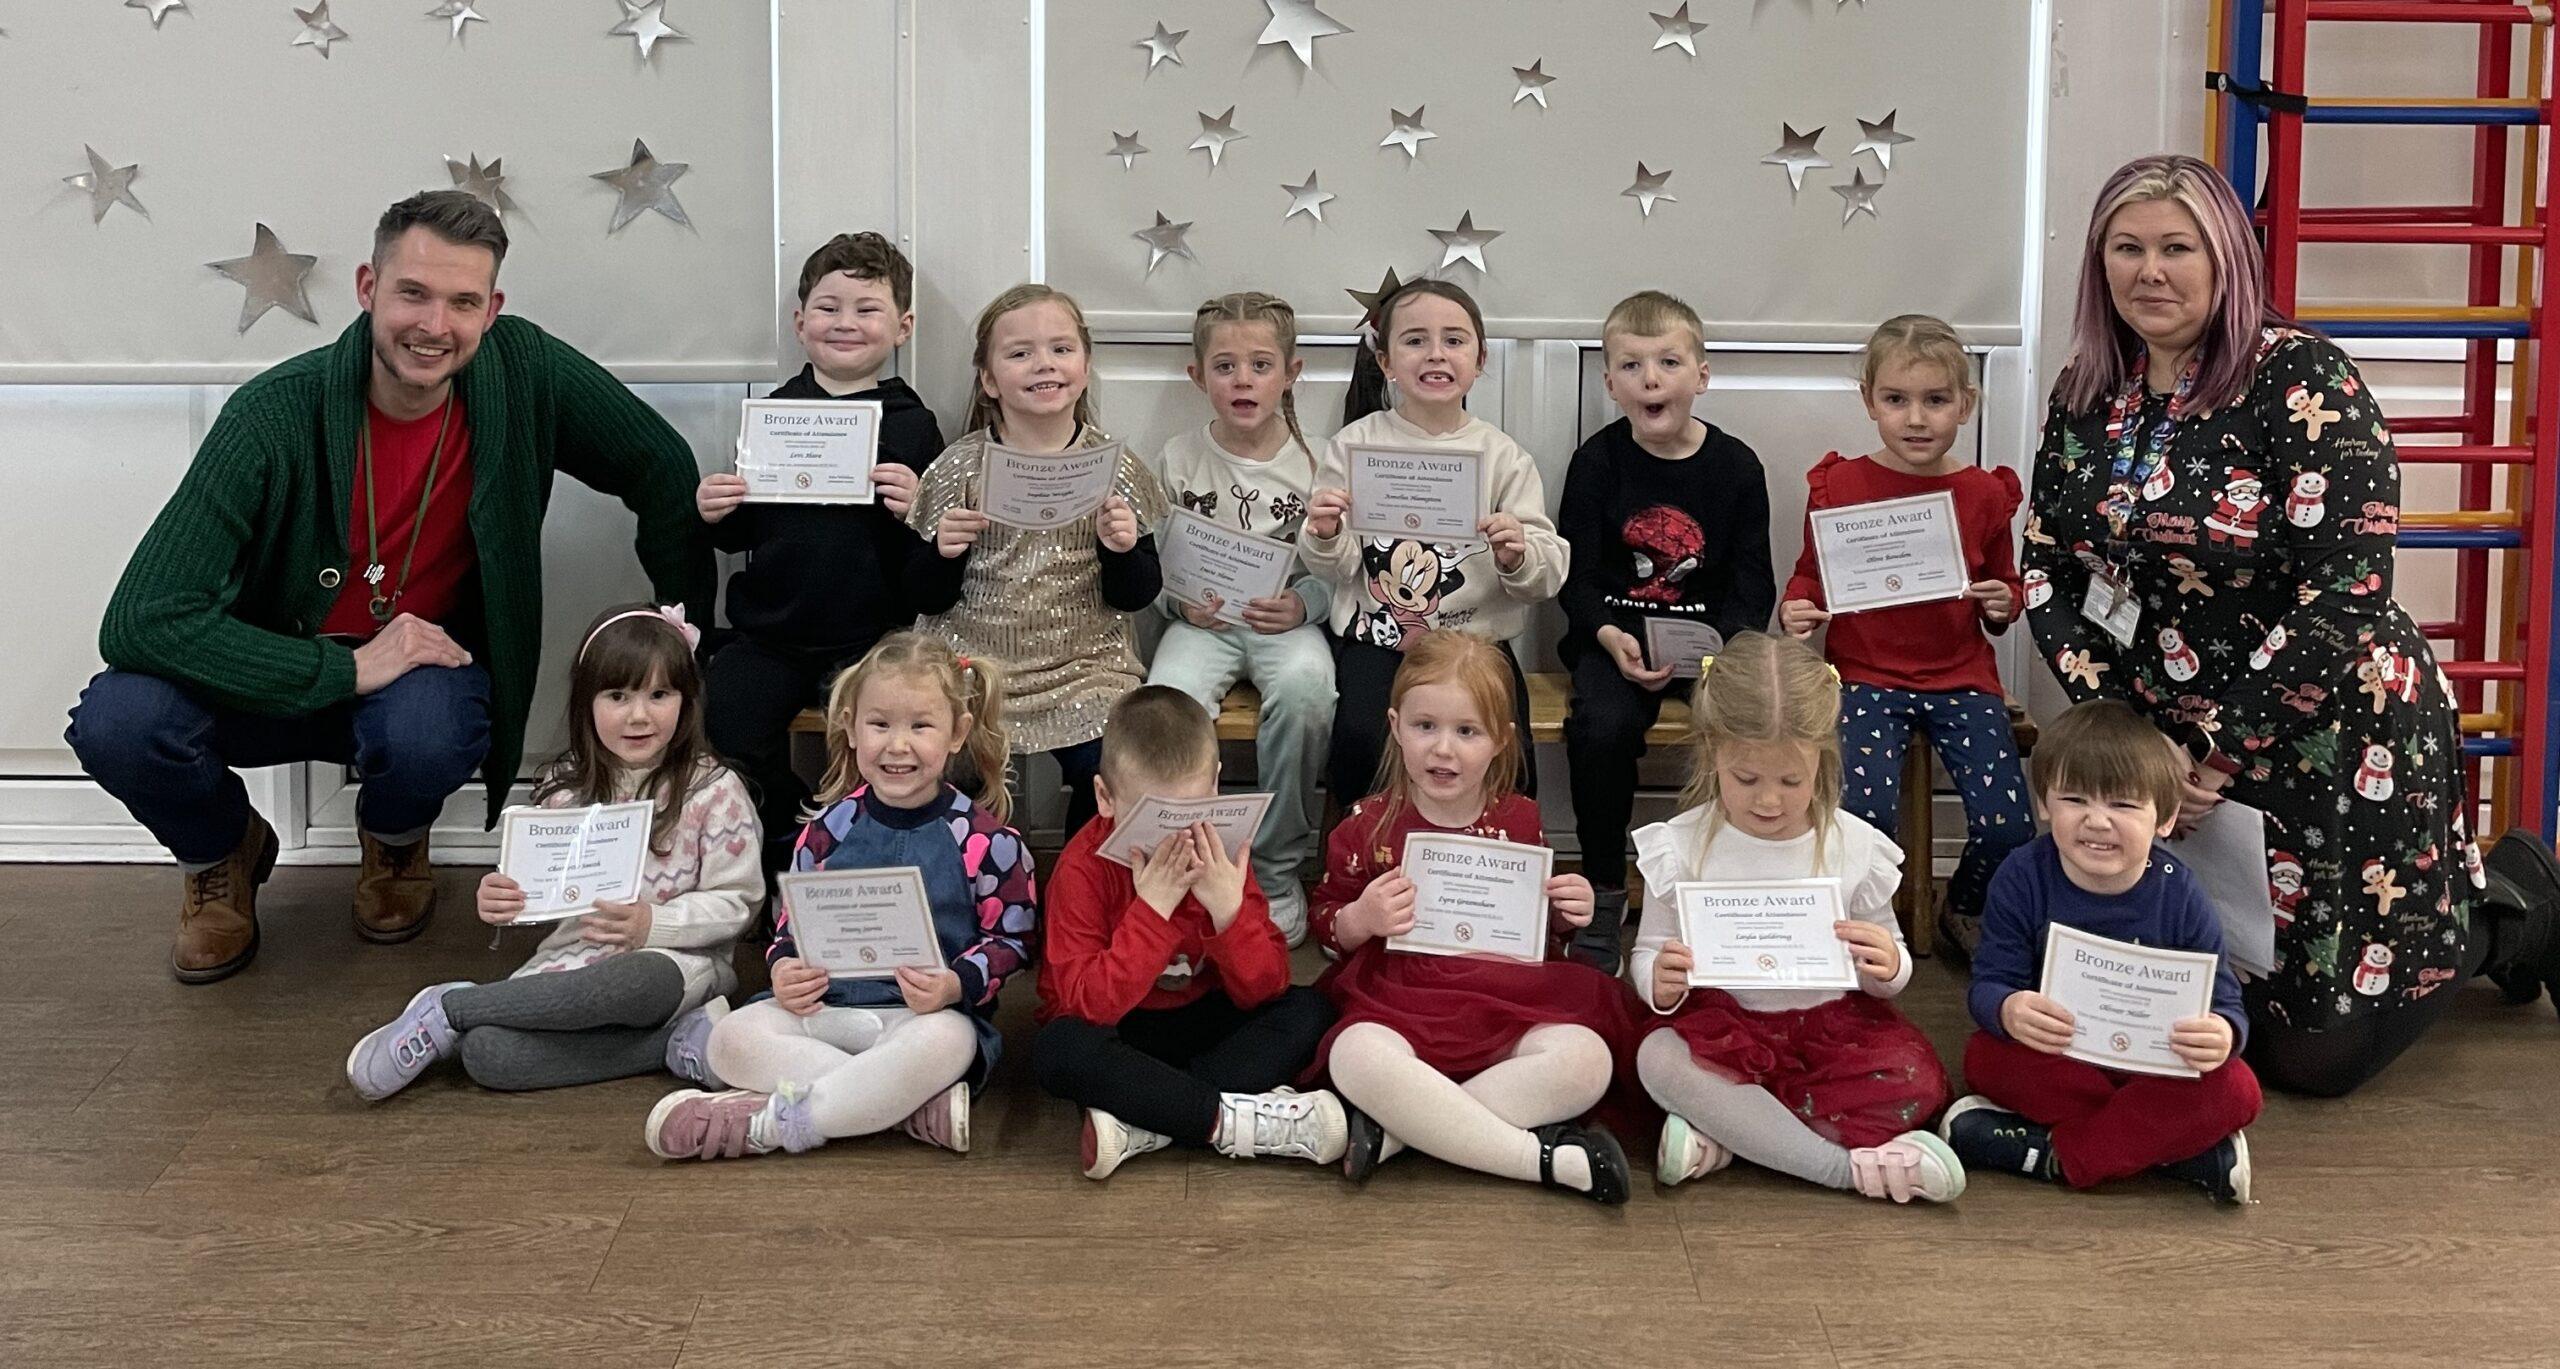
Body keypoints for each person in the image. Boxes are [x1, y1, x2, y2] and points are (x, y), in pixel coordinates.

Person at [66, 189, 707, 984]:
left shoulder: (524, 371)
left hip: (415, 683)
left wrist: (685, 640)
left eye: (462, 302)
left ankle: (396, 845)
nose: (434, 325)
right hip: (266, 676)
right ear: (369, 288)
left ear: (491, 310)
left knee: (430, 733)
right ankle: (220, 851)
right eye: (413, 293)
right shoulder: (271, 414)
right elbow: (139, 620)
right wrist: (345, 667)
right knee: (118, 721)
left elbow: (661, 466)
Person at [2026, 154, 2560, 1097]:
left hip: (2331, 725)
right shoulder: (2089, 389)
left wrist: (2214, 753)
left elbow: (2349, 593)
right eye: (2127, 248)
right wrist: (2132, 740)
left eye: (2177, 248)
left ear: (2226, 258)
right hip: (2167, 741)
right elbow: (2047, 566)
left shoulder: (2301, 378)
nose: (2150, 272)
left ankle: (2513, 909)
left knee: (2315, 1062)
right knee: (2220, 1014)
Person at [644, 632, 1034, 1160]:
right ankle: (903, 1107)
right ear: (851, 729)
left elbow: (1012, 941)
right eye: (880, 725)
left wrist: (955, 984)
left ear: (957, 733)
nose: (898, 745)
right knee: (731, 1039)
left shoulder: (989, 842)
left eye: (920, 726)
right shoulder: (827, 828)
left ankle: (767, 1126)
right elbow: (790, 926)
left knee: (951, 1043)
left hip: (920, 1021)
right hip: (826, 1013)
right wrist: (784, 968)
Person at [342, 605, 755, 1100]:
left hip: (677, 966)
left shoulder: (714, 791)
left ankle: (450, 1010)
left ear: (687, 702)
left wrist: (654, 924)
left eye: (659, 695)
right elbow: (538, 894)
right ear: (587, 703)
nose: (639, 715)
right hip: (570, 968)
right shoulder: (566, 791)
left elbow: (739, 903)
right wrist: (503, 900)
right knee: (486, 1055)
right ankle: (671, 1042)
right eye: (617, 696)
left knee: (641, 979)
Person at [1628, 631, 1962, 1203]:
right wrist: (1658, 981)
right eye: (1746, 779)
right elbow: (1648, 948)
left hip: (1832, 1033)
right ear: (1713, 753)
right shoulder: (1679, 846)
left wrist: (1887, 967)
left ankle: (1733, 1132)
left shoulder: (1853, 845)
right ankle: (1842, 1168)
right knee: (1658, 1058)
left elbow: (1889, 955)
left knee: (1919, 1081)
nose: (1769, 801)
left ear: (1821, 758)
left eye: (1791, 781)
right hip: (1725, 1029)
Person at [1309, 631, 1634, 1204]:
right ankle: (1544, 1162)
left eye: (1467, 731)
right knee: (1353, 1053)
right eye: (1425, 726)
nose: (1443, 749)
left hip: (1505, 1001)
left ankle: (1399, 1134)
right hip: (1400, 999)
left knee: (1587, 1061)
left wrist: (1567, 912)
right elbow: (1329, 927)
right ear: (1395, 727)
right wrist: (1362, 917)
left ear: (1501, 740)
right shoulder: (1366, 824)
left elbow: (1536, 926)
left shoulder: (1521, 820)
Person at [1779, 315, 2033, 956]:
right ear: (1870, 401)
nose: (1916, 419)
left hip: (1962, 679)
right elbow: (1810, 573)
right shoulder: (1839, 486)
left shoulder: (1983, 494)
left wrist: (2004, 603)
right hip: (1864, 675)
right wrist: (1797, 607)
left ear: (1965, 405)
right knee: (1865, 817)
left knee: (2008, 826)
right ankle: (1866, 927)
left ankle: (1964, 906)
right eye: (1896, 399)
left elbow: (2004, 586)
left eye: (1936, 400)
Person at [1942, 699, 2263, 1204]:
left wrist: (2223, 1033)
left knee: (2238, 1089)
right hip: (2060, 1055)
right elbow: (1990, 984)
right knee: (1984, 1058)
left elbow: (2224, 1002)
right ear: (2045, 804)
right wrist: (2008, 1009)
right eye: (2074, 799)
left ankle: (2057, 1157)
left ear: (2165, 817)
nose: (2097, 821)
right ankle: (2173, 1151)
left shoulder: (2182, 894)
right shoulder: (2022, 876)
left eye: (2123, 805)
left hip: (2155, 1063)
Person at [697, 232, 947, 875]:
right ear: (800, 321)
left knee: (881, 744)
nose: (845, 322)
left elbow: (931, 559)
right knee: (727, 726)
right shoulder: (774, 413)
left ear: (903, 326)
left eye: (867, 309)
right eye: (829, 307)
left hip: (870, 640)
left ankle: (853, 860)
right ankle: (789, 840)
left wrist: (918, 508)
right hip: (770, 635)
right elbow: (743, 533)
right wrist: (716, 509)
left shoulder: (913, 424)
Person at [1031, 686, 1345, 1180]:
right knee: (1059, 1048)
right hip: (1122, 1028)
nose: (1177, 838)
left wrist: (1229, 913)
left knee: (1312, 1010)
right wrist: (1152, 914)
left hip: (1202, 1020)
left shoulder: (1222, 850)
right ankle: (1232, 1120)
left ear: (1216, 785)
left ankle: (1150, 1121)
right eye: (1154, 820)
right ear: (1105, 798)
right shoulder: (1081, 868)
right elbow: (1084, 1006)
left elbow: (1266, 988)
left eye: (1191, 815)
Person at [1557, 289, 1776, 972]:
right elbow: (1575, 579)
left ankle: (1730, 891)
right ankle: (1603, 887)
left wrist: (1720, 653)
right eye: (1632, 365)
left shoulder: (1736, 467)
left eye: (1668, 362)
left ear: (1701, 376)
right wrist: (1607, 635)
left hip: (1714, 651)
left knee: (1751, 726)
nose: (1650, 379)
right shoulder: (1597, 463)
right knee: (1601, 728)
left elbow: (1753, 587)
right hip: (1617, 644)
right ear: (1610, 383)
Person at [907, 284, 1166, 843]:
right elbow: (922, 595)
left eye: (1061, 349)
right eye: (1020, 353)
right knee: (953, 776)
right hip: (969, 663)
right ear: (989, 379)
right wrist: (943, 552)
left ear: (1085, 366)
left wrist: (1121, 550)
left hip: (1085, 666)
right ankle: (983, 881)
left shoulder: (1116, 468)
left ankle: (1080, 882)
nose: (1044, 364)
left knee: (1113, 773)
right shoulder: (958, 468)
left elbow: (1137, 595)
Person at [1299, 280, 1567, 807]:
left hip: (1476, 645)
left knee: (1506, 753)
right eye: (1416, 340)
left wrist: (1517, 555)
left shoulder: (1503, 456)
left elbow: (1547, 574)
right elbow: (1337, 568)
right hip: (1378, 642)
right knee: (1361, 739)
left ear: (1479, 359)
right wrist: (1326, 534)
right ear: (1386, 361)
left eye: (1454, 340)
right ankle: (1363, 849)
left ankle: (1496, 852)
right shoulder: (1355, 445)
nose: (1436, 354)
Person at [1142, 291, 1338, 945]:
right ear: (1198, 377)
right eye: (1224, 367)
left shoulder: (1320, 461)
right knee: (1168, 702)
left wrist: (1305, 603)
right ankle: (1182, 868)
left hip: (1286, 624)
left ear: (1291, 373)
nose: (1243, 380)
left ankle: (1276, 870)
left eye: (1260, 365)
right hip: (1204, 625)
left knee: (1309, 691)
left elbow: (1346, 565)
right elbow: (1155, 561)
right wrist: (1181, 604)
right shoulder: (1177, 457)